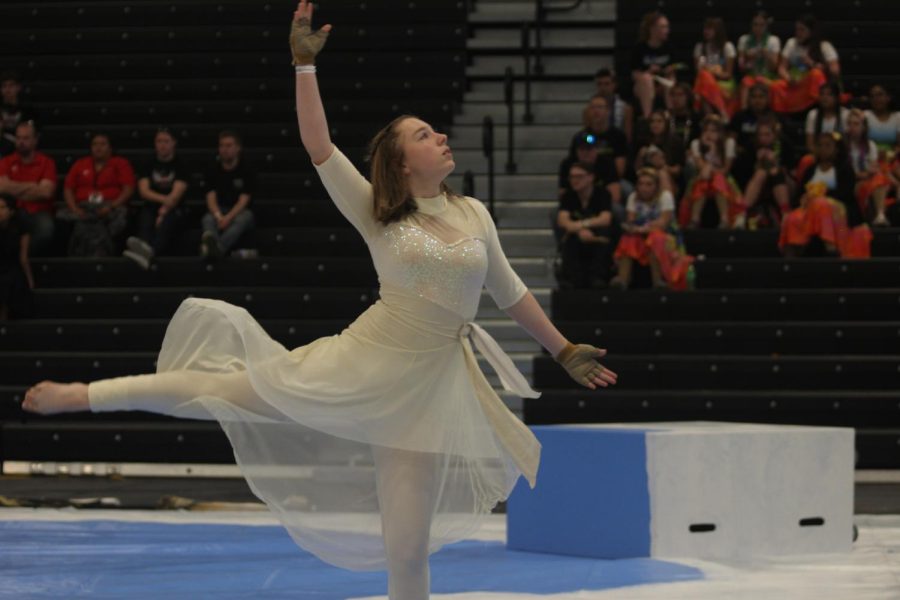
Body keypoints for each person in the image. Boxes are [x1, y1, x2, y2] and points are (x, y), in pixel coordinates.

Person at [22, 3, 619, 600]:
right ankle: (86, 395)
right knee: (220, 390)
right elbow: (318, 145)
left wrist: (563, 349)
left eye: (434, 131)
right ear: (401, 162)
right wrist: (303, 66)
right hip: (361, 361)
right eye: (423, 134)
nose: (439, 136)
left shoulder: (474, 213)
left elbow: (510, 293)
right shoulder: (376, 210)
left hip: (428, 393)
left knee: (407, 552)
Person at [780, 132, 871, 258]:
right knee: (792, 217)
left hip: (838, 207)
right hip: (810, 208)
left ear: (836, 149)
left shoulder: (844, 168)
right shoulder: (811, 169)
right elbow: (799, 194)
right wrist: (802, 199)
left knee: (821, 204)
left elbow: (846, 193)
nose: (823, 149)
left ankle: (831, 249)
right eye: (820, 145)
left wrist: (820, 195)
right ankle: (792, 258)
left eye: (828, 145)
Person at [611, 167, 693, 290]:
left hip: (666, 237)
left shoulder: (665, 196)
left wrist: (641, 229)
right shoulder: (633, 197)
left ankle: (658, 281)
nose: (644, 188)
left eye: (649, 184)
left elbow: (663, 223)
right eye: (641, 184)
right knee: (628, 239)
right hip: (641, 236)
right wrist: (635, 228)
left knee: (655, 238)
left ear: (656, 186)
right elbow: (631, 222)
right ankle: (623, 280)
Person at [124, 128, 189, 269]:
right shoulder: (148, 163)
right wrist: (162, 203)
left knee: (168, 221)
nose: (162, 145)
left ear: (174, 143)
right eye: (159, 141)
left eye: (166, 141)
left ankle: (148, 253)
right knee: (146, 218)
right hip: (152, 206)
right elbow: (144, 192)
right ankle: (145, 250)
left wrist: (163, 211)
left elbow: (176, 195)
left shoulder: (181, 164)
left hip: (175, 207)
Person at [61, 133, 135, 256]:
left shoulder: (121, 163)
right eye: (95, 144)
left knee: (116, 220)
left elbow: (128, 189)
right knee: (70, 220)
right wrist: (74, 208)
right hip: (83, 207)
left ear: (110, 148)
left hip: (110, 206)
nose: (98, 147)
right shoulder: (80, 164)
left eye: (102, 144)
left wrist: (111, 206)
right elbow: (68, 189)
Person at [0, 121, 57, 255]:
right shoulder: (6, 162)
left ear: (35, 140)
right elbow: (1, 187)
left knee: (46, 228)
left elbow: (46, 192)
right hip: (11, 211)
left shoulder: (46, 162)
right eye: (18, 138)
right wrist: (33, 187)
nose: (21, 142)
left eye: (25, 138)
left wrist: (12, 187)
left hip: (38, 212)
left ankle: (21, 255)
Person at [555, 161, 614, 289]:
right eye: (572, 177)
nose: (574, 180)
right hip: (576, 237)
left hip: (598, 236)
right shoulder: (568, 196)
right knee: (570, 240)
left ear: (591, 177)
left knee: (604, 236)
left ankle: (598, 279)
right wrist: (580, 230)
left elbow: (605, 219)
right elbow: (562, 220)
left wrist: (581, 226)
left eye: (579, 176)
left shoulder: (602, 193)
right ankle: (571, 281)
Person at [680, 115, 744, 228]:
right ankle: (695, 220)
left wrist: (714, 149)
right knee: (703, 182)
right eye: (706, 130)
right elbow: (703, 172)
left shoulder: (729, 143)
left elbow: (725, 170)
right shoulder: (696, 144)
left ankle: (724, 220)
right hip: (701, 179)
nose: (709, 134)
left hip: (725, 181)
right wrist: (710, 150)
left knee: (718, 178)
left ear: (720, 132)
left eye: (713, 131)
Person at [200, 130, 256, 259]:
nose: (224, 149)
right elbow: (210, 197)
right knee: (208, 219)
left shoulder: (247, 169)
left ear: (238, 148)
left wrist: (228, 218)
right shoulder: (212, 169)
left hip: (238, 212)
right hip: (220, 210)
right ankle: (213, 246)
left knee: (245, 217)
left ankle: (216, 248)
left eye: (229, 145)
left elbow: (243, 200)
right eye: (222, 145)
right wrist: (219, 217)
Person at [769, 14, 840, 114]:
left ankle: (813, 109)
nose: (798, 33)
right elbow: (782, 68)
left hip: (812, 86)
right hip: (795, 83)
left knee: (816, 74)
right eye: (797, 30)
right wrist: (788, 78)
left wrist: (812, 64)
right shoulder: (791, 43)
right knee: (776, 86)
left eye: (802, 30)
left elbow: (835, 71)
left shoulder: (824, 46)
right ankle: (781, 116)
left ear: (811, 31)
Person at [735, 117, 794, 228]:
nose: (763, 138)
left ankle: (786, 214)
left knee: (775, 171)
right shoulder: (751, 146)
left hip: (785, 184)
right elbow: (743, 174)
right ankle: (742, 214)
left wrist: (775, 163)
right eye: (760, 135)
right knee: (761, 173)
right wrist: (758, 162)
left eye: (767, 134)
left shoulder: (784, 144)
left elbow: (792, 172)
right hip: (757, 186)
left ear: (775, 135)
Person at [845, 109, 891, 226]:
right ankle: (873, 217)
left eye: (856, 124)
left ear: (863, 127)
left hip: (868, 180)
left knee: (880, 178)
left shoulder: (870, 145)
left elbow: (873, 167)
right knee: (869, 185)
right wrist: (860, 174)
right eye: (849, 124)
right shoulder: (842, 145)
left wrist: (869, 172)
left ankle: (880, 215)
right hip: (849, 182)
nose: (852, 127)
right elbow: (841, 171)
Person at [631, 11, 676, 119]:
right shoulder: (640, 48)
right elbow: (634, 75)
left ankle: (671, 114)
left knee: (670, 80)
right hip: (643, 85)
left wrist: (668, 70)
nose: (667, 30)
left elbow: (674, 68)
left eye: (667, 27)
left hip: (663, 83)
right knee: (646, 79)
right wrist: (649, 72)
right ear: (653, 29)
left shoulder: (669, 47)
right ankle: (648, 117)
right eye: (663, 27)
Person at [692, 17, 738, 119]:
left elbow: (728, 75)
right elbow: (698, 73)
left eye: (710, 29)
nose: (706, 31)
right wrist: (710, 72)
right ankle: (720, 113)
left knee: (704, 84)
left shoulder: (727, 47)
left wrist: (713, 72)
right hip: (705, 82)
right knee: (704, 77)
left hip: (724, 82)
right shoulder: (700, 47)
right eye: (705, 29)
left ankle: (711, 117)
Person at [633, 109, 685, 196]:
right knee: (646, 180)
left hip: (670, 179)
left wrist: (663, 166)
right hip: (646, 178)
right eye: (652, 121)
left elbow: (678, 170)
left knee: (661, 174)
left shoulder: (675, 141)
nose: (655, 124)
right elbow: (637, 171)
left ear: (666, 123)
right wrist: (640, 156)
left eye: (659, 121)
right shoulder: (643, 141)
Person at [736, 11, 782, 109]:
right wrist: (747, 57)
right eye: (755, 25)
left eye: (761, 25)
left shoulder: (773, 40)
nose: (758, 28)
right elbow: (741, 67)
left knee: (775, 87)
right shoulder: (744, 40)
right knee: (745, 83)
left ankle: (773, 115)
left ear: (766, 26)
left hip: (768, 76)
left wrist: (767, 55)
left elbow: (774, 67)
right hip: (751, 76)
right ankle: (744, 113)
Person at [0, 194, 35, 319]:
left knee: (11, 281)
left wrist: (30, 279)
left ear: (11, 211)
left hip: (11, 267)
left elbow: (23, 257)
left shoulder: (21, 227)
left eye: (2, 207)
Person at [728, 83, 780, 156]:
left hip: (768, 155)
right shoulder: (740, 116)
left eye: (761, 97)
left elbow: (778, 140)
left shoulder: (774, 116)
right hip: (743, 156)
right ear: (749, 99)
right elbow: (731, 139)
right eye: (754, 97)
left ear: (767, 99)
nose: (757, 100)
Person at [1, 71, 38, 157]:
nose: (8, 90)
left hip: (22, 147)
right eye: (4, 86)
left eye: (11, 86)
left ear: (18, 87)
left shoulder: (27, 109)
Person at [594, 68, 634, 144]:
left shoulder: (625, 108)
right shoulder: (590, 108)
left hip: (617, 145)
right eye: (599, 84)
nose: (603, 88)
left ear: (614, 85)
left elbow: (627, 137)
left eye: (607, 84)